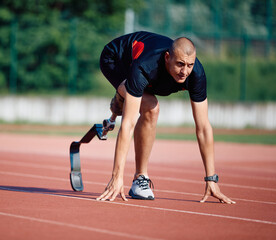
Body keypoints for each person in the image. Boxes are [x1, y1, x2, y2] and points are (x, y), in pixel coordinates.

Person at [96, 31, 235, 204]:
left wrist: (211, 179)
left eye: (189, 65)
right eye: (180, 64)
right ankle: (141, 177)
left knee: (144, 100)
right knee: (151, 106)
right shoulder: (145, 66)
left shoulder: (196, 74)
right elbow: (128, 124)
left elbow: (204, 128)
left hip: (146, 74)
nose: (185, 72)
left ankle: (123, 97)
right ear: (167, 57)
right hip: (116, 59)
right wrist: (117, 177)